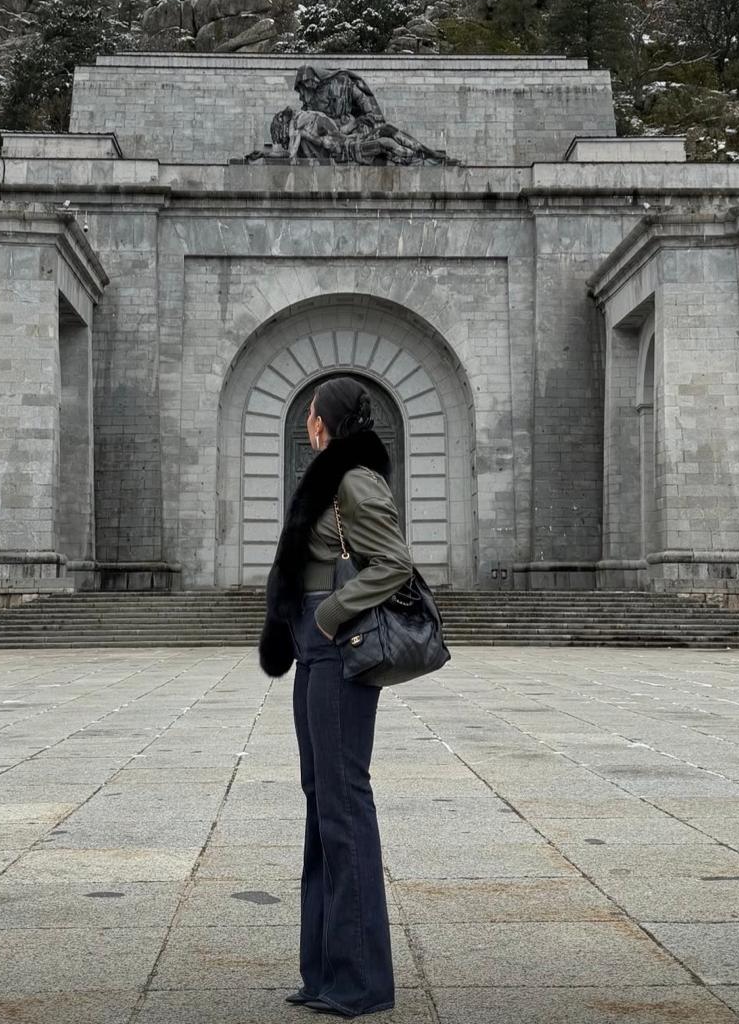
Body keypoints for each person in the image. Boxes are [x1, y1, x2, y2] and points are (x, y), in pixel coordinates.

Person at [258, 376, 414, 1018]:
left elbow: (395, 562)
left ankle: (361, 980)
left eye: (313, 413)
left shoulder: (354, 478)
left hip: (339, 646)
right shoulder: (330, 476)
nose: (307, 422)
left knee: (344, 800)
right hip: (312, 650)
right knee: (321, 800)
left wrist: (328, 617)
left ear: (326, 422)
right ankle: (324, 971)